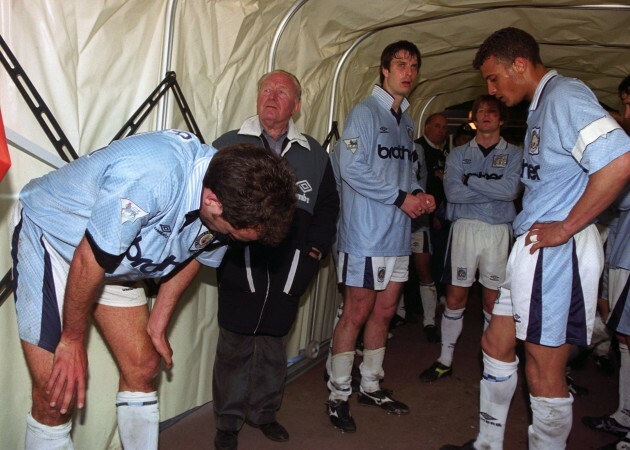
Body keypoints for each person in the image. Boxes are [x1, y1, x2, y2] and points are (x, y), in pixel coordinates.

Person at [10, 130, 298, 450]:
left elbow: (197, 251)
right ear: (211, 201)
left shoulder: (230, 194)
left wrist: (159, 319)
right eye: (234, 234)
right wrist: (72, 339)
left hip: (111, 255)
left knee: (145, 366)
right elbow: (88, 260)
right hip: (59, 242)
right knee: (55, 395)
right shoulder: (153, 175)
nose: (234, 241)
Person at [441, 27, 630, 450]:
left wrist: (565, 227)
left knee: (543, 368)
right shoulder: (540, 107)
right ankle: (488, 443)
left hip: (555, 251)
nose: (490, 89)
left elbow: (619, 160)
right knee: (495, 340)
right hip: (531, 247)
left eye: (494, 78)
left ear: (520, 65)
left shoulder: (564, 95)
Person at [211, 70, 339, 450]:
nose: (271, 96)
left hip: (290, 265)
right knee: (234, 344)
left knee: (273, 344)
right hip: (240, 261)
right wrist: (221, 237)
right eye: (266, 89)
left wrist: (315, 251)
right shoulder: (229, 145)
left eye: (281, 91)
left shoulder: (314, 154)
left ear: (295, 105)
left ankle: (265, 413)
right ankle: (228, 422)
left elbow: (328, 207)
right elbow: (204, 197)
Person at [326, 40, 436, 433]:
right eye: (401, 64)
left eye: (414, 65)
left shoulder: (406, 121)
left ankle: (370, 384)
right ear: (384, 71)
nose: (408, 71)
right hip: (366, 237)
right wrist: (400, 197)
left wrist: (419, 195)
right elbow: (351, 167)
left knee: (386, 313)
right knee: (355, 313)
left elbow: (405, 175)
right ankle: (338, 394)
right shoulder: (364, 111)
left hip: (398, 235)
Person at [420, 94, 522, 382]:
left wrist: (470, 181)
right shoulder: (457, 154)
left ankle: (492, 359)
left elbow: (511, 191)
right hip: (464, 228)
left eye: (492, 112)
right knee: (455, 297)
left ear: (501, 119)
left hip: (498, 230)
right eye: (480, 111)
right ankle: (445, 359)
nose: (485, 115)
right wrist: (491, 185)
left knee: (492, 301)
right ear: (474, 119)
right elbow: (452, 193)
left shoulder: (514, 154)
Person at [582, 76, 630, 449]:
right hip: (622, 252)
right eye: (624, 105)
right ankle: (624, 415)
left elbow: (618, 199)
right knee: (625, 338)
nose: (627, 114)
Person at [415, 113, 450, 305]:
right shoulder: (419, 149)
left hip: (438, 214)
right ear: (426, 127)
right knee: (421, 265)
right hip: (422, 216)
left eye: (444, 128)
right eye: (437, 126)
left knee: (436, 258)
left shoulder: (441, 153)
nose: (441, 131)